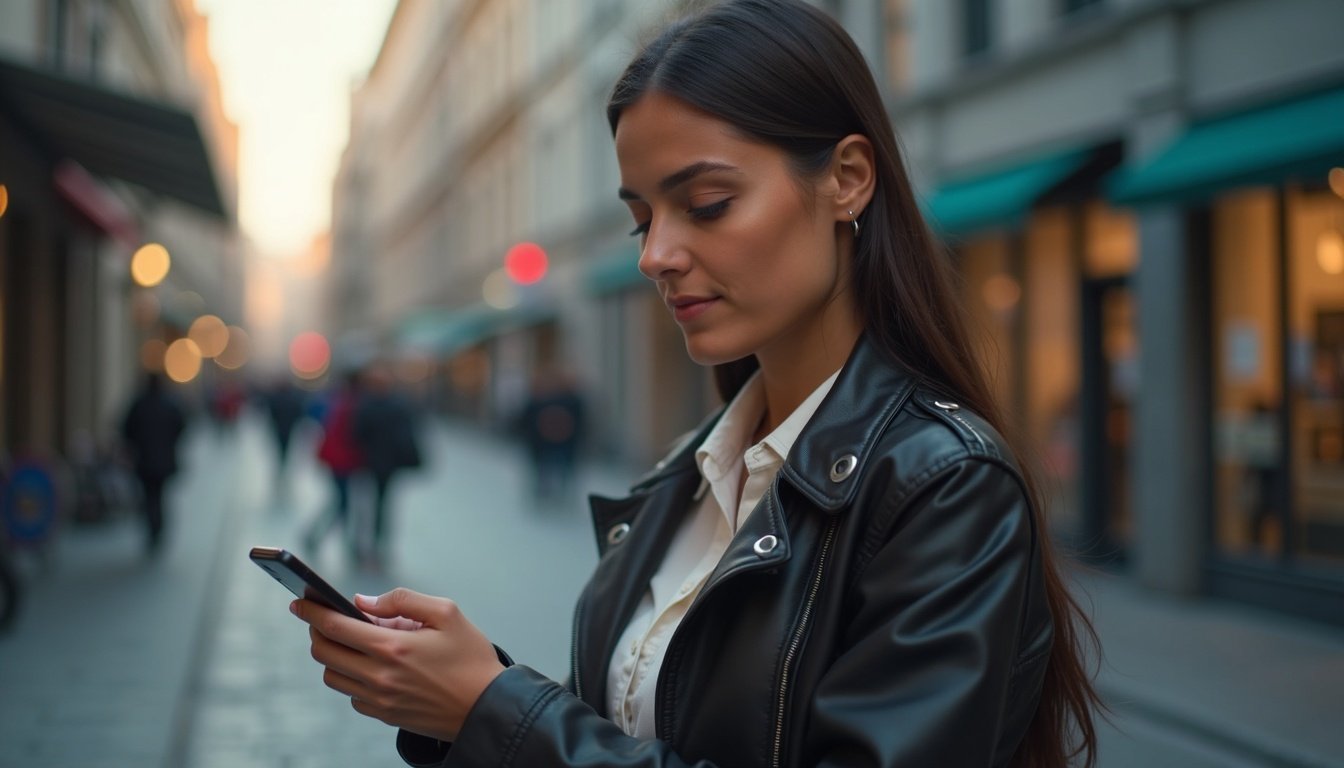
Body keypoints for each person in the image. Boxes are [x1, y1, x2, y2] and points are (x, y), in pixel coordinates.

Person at [289, 2, 1102, 766]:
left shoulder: (944, 487)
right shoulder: (688, 472)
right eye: (642, 220)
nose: (655, 256)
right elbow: (624, 728)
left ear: (848, 179)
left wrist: (497, 710)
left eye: (707, 204)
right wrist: (464, 700)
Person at [351, 364, 422, 570]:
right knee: (381, 507)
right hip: (387, 464)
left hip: (370, 463)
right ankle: (376, 547)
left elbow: (358, 433)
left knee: (367, 506)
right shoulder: (398, 405)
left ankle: (366, 547)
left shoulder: (366, 405)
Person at [120, 372, 187, 554]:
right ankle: (158, 528)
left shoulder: (139, 404)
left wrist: (137, 445)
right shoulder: (169, 404)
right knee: (159, 496)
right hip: (164, 460)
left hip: (144, 461)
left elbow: (126, 429)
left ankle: (153, 528)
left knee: (150, 496)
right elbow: (181, 425)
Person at [303, 370, 365, 558]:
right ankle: (318, 536)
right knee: (343, 503)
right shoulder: (352, 406)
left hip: (338, 460)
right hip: (344, 461)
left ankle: (318, 536)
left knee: (342, 502)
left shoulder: (337, 402)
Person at [514, 365, 587, 504]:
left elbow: (524, 421)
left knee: (546, 467)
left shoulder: (538, 400)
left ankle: (546, 492)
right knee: (559, 467)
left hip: (544, 443)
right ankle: (555, 492)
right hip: (558, 442)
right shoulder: (571, 401)